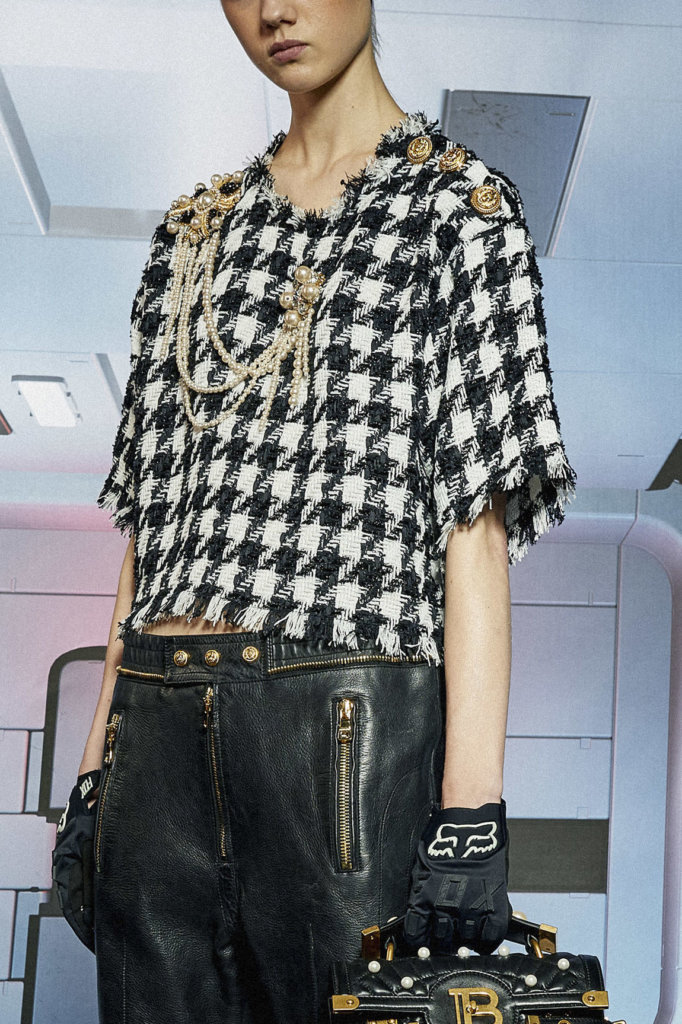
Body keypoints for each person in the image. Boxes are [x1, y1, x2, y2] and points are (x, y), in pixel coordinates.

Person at [51, 1, 577, 1022]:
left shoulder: (459, 211)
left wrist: (470, 814)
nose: (273, 11)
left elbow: (473, 531)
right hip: (156, 726)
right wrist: (92, 773)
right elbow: (150, 532)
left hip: (342, 732)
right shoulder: (193, 231)